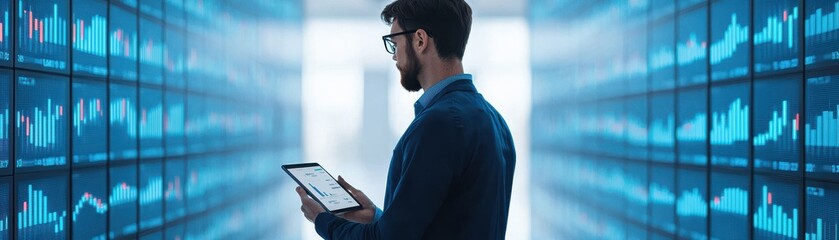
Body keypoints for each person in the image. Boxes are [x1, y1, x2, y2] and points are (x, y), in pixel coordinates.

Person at [296, 0, 516, 239]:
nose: (394, 57)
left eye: (395, 43)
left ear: (420, 40)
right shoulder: (495, 121)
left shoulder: (438, 124)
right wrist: (376, 217)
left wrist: (322, 220)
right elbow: (451, 223)